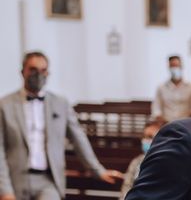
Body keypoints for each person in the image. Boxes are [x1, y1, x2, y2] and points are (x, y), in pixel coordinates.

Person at [0, 51, 122, 200]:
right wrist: (5, 190)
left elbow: (79, 139)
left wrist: (98, 170)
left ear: (48, 73)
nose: (38, 74)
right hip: (16, 179)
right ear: (22, 71)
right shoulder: (5, 105)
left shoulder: (60, 103)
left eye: (43, 70)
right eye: (33, 69)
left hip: (48, 179)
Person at [119, 121, 164, 199]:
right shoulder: (136, 162)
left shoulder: (169, 164)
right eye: (144, 136)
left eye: (150, 137)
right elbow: (126, 189)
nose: (145, 140)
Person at [152, 55, 191, 122]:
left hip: (186, 124)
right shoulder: (161, 88)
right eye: (172, 66)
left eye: (177, 65)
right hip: (166, 124)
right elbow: (156, 110)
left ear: (182, 66)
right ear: (169, 67)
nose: (175, 68)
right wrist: (162, 122)